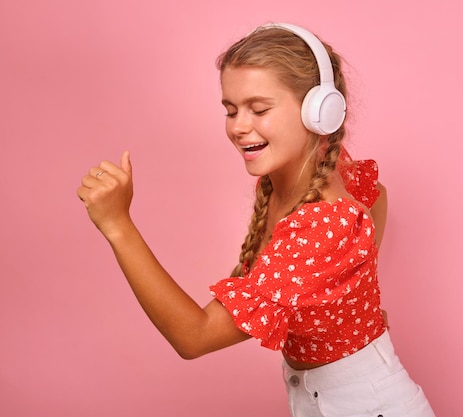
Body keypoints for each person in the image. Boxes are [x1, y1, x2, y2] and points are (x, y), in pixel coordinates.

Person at [77, 22, 436, 417]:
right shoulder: (309, 175)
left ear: (319, 112)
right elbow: (376, 198)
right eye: (230, 110)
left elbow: (194, 337)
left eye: (259, 109)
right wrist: (349, 290)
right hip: (329, 399)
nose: (238, 126)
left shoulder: (323, 225)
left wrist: (118, 225)